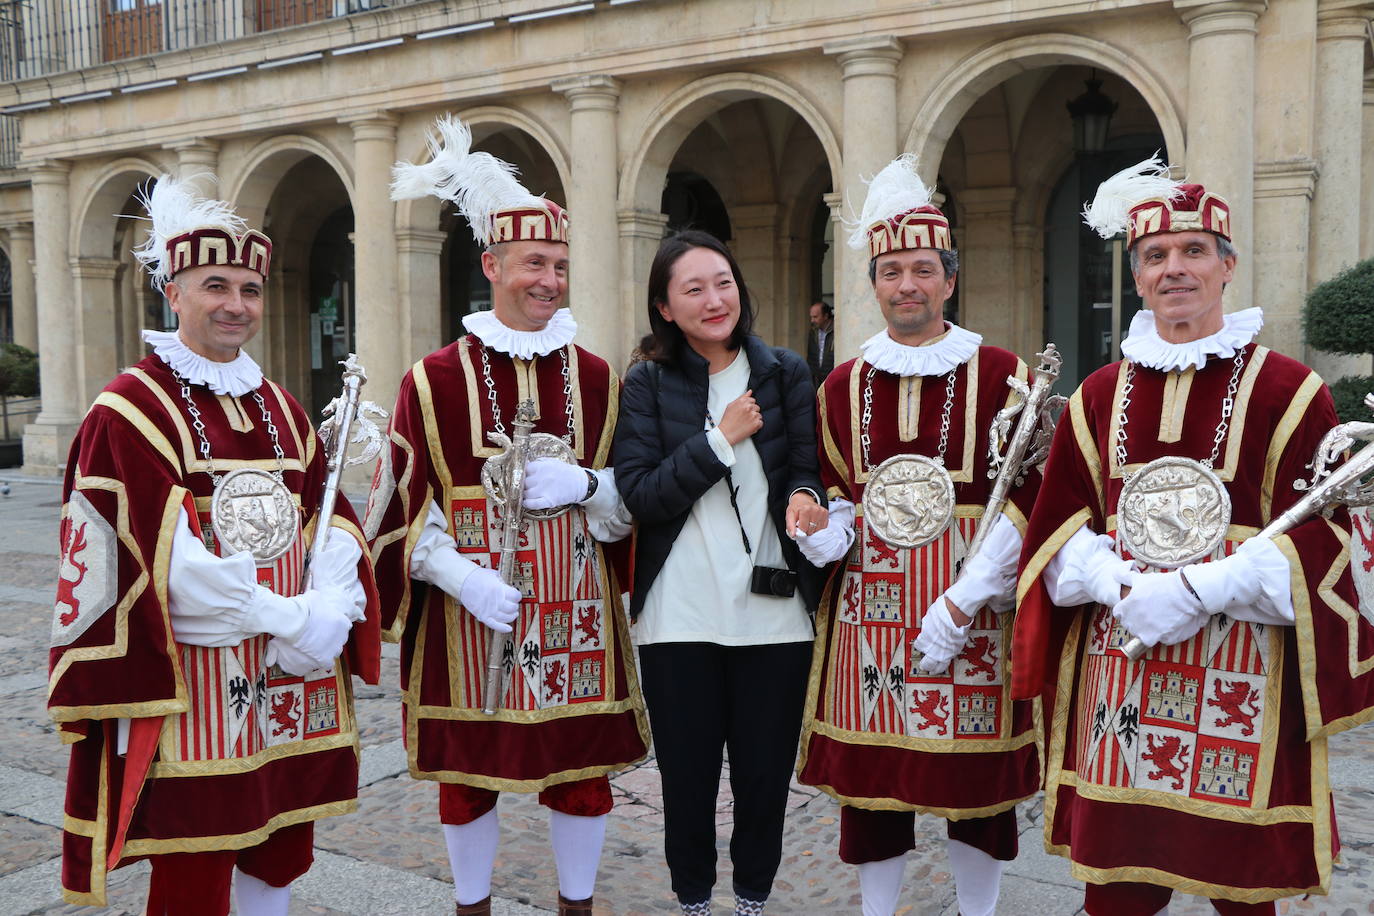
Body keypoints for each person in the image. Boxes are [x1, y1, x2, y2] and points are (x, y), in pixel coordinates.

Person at [1012, 159, 1374, 914]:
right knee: (1117, 893)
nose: (1174, 269)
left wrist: (1200, 587)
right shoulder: (1098, 396)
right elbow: (1057, 529)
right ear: (1137, 275)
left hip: (1243, 675)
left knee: (1245, 893)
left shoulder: (1289, 390)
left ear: (1227, 265)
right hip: (1122, 679)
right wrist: (1120, 585)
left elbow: (1332, 544)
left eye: (1194, 251)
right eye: (1155, 256)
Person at [46, 174, 380, 913]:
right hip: (195, 683)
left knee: (281, 845)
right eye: (215, 285)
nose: (236, 305)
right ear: (174, 290)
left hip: (295, 675)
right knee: (196, 859)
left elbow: (332, 516)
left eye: (251, 290)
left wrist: (332, 601)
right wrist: (290, 619)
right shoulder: (128, 410)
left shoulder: (282, 407)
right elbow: (158, 558)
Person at [369, 115, 649, 916]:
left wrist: (590, 488)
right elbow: (401, 502)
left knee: (581, 774)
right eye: (534, 262)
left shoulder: (597, 376)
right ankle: (472, 905)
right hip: (471, 613)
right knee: (468, 778)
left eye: (560, 265)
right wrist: (456, 574)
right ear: (492, 265)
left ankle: (577, 906)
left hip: (577, 610)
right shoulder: (432, 379)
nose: (549, 280)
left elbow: (632, 495)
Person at [792, 155, 1040, 916]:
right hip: (871, 615)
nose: (907, 285)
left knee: (976, 790)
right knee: (873, 794)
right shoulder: (841, 383)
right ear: (871, 281)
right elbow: (835, 483)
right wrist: (826, 526)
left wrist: (967, 599)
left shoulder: (1003, 373)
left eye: (922, 269)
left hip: (972, 607)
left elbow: (1030, 498)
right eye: (891, 269)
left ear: (949, 279)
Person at [613, 230, 829, 916]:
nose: (715, 299)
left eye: (724, 282)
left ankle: (752, 901)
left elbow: (805, 465)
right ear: (666, 308)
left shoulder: (785, 371)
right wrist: (718, 439)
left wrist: (806, 496)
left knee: (766, 780)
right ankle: (695, 902)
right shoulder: (646, 382)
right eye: (694, 289)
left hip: (774, 609)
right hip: (680, 613)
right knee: (688, 779)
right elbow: (642, 493)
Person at [807, 300, 835, 388]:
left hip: (831, 378)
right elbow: (811, 356)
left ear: (826, 316)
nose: (812, 320)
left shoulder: (836, 331)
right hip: (815, 381)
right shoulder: (813, 332)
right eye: (811, 317)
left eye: (815, 317)